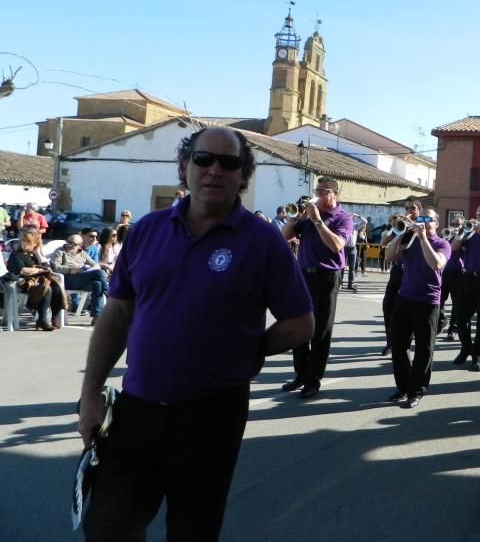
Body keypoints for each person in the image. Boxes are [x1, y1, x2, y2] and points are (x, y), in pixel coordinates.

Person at [77, 126, 314, 541]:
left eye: (229, 163)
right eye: (204, 160)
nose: (214, 171)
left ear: (244, 175)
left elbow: (300, 323)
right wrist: (90, 394)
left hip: (213, 417)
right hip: (137, 409)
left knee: (192, 532)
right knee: (108, 528)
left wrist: (249, 351)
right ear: (184, 166)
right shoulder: (147, 230)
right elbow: (117, 313)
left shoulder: (263, 242)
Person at [280, 177, 354, 399]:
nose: (319, 194)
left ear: (335, 194)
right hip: (303, 274)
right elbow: (284, 236)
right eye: (317, 190)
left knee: (320, 330)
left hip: (327, 276)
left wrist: (318, 221)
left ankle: (314, 380)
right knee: (298, 325)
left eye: (324, 191)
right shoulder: (308, 216)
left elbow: (336, 245)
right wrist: (296, 217)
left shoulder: (344, 218)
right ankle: (301, 374)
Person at [384, 207, 450, 408]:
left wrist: (422, 239)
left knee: (424, 349)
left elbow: (436, 264)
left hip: (428, 302)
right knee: (398, 344)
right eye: (420, 218)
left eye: (427, 219)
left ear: (436, 224)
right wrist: (400, 234)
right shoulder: (411, 240)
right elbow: (388, 256)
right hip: (404, 298)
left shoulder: (443, 243)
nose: (421, 221)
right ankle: (403, 386)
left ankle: (417, 390)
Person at [450, 205, 480, 371]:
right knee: (461, 317)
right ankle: (466, 348)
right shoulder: (469, 231)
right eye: (478, 213)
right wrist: (463, 232)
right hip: (468, 276)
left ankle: (478, 356)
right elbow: (454, 247)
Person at [380, 197, 421, 355]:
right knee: (388, 305)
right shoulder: (401, 224)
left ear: (419, 209)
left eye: (412, 208)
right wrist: (397, 228)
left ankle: (407, 342)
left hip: (412, 271)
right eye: (407, 208)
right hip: (398, 270)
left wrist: (413, 228)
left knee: (410, 308)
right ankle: (391, 342)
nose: (408, 211)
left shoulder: (423, 224)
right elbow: (384, 242)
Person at [3, 227, 65, 330]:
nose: (24, 243)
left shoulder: (36, 255)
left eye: (28, 242)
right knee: (46, 288)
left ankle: (54, 316)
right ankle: (42, 320)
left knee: (57, 287)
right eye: (23, 241)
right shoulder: (17, 254)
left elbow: (49, 268)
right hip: (21, 282)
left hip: (37, 282)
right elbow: (23, 271)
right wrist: (40, 270)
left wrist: (38, 254)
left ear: (35, 243)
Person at [50, 234, 109, 324]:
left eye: (73, 243)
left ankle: (97, 316)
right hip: (68, 279)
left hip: (82, 277)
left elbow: (95, 264)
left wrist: (89, 270)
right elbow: (55, 267)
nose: (69, 244)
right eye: (68, 241)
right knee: (99, 273)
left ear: (79, 245)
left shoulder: (82, 253)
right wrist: (70, 270)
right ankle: (109, 293)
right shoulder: (60, 251)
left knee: (97, 284)